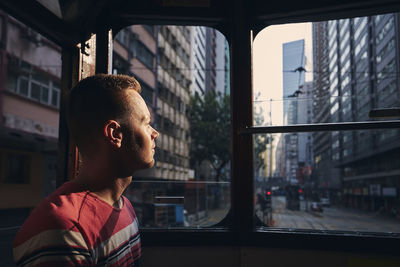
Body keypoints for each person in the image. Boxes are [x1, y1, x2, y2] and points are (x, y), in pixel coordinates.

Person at [13, 74, 159, 266]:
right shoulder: (64, 230)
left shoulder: (124, 206)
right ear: (115, 134)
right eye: (146, 123)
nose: (154, 133)